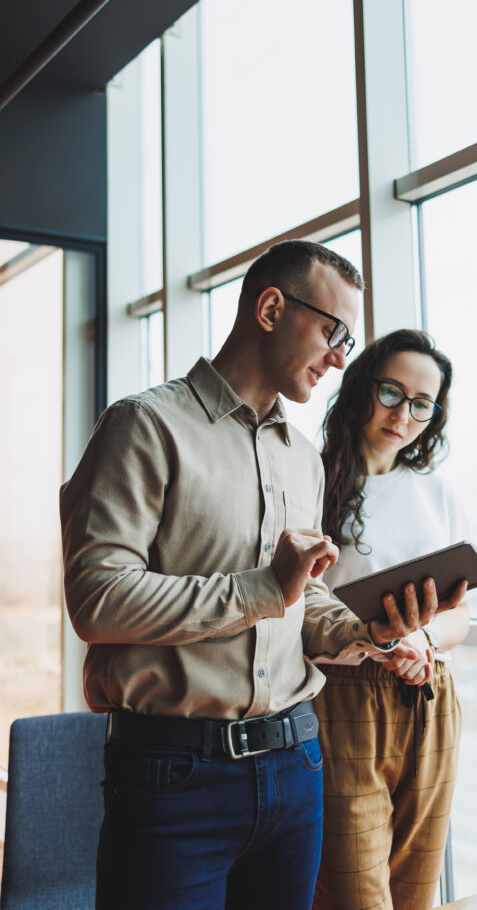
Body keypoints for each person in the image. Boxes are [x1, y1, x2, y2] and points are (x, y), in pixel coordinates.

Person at [60, 242, 436, 910]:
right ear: (269, 308)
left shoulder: (304, 459)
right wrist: (263, 588)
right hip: (171, 777)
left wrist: (366, 629)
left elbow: (303, 597)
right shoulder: (144, 426)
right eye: (333, 332)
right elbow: (98, 596)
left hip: (297, 762)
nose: (340, 357)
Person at [312, 328, 474, 910]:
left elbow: (461, 616)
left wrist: (423, 639)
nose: (404, 414)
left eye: (422, 404)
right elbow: (295, 608)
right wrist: (383, 645)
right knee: (356, 895)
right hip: (344, 696)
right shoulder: (310, 480)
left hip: (432, 694)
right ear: (362, 388)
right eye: (391, 393)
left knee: (415, 892)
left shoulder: (435, 492)